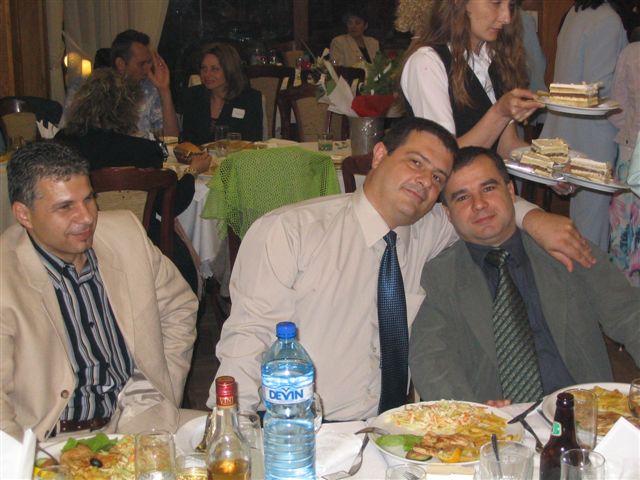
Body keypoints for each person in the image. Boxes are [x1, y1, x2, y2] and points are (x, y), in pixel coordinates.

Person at [209, 117, 595, 421]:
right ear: (379, 155)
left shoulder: (430, 228)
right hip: (303, 429)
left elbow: (487, 210)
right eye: (415, 162)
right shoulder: (291, 232)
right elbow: (249, 337)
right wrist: (231, 425)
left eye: (437, 177)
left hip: (397, 429)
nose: (425, 181)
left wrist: (535, 218)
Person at [409, 146, 640, 405]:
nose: (479, 204)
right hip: (496, 420)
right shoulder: (438, 277)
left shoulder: (565, 247)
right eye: (462, 197)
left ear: (511, 191)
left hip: (583, 413)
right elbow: (431, 359)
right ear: (448, 213)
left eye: (488, 188)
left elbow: (629, 314)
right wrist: (470, 413)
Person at [0, 142, 198, 441]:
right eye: (65, 207)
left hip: (141, 421)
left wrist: (163, 386)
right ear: (24, 214)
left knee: (238, 443)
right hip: (54, 440)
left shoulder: (125, 234)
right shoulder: (6, 277)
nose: (86, 217)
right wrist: (25, 460)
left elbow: (180, 306)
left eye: (89, 199)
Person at [55, 68, 210, 296]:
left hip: (77, 238)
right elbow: (169, 205)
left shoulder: (62, 144)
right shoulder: (143, 151)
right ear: (127, 109)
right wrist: (192, 172)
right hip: (139, 240)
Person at [400, 0, 542, 159]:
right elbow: (443, 157)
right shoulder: (427, 62)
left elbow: (506, 145)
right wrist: (500, 112)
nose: (506, 18)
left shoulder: (493, 57)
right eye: (496, 3)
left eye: (511, 6)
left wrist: (549, 164)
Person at [540, 0, 628, 250]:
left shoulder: (575, 13)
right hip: (593, 135)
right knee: (593, 228)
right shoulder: (607, 19)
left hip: (568, 130)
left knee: (581, 222)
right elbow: (599, 88)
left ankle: (579, 272)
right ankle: (590, 274)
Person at [61, 29, 180, 138]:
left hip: (137, 152)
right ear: (120, 64)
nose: (148, 69)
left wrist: (164, 89)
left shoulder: (150, 89)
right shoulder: (83, 86)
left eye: (149, 62)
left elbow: (172, 140)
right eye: (141, 64)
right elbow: (67, 131)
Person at [181, 43, 263, 144]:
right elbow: (187, 140)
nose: (207, 74)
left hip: (237, 154)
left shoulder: (249, 99)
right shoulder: (194, 95)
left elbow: (254, 141)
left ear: (229, 70)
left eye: (215, 69)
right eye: (204, 68)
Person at [608, 41, 640, 286]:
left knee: (624, 231)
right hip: (631, 149)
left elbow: (617, 108)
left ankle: (623, 291)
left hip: (631, 150)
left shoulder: (632, 52)